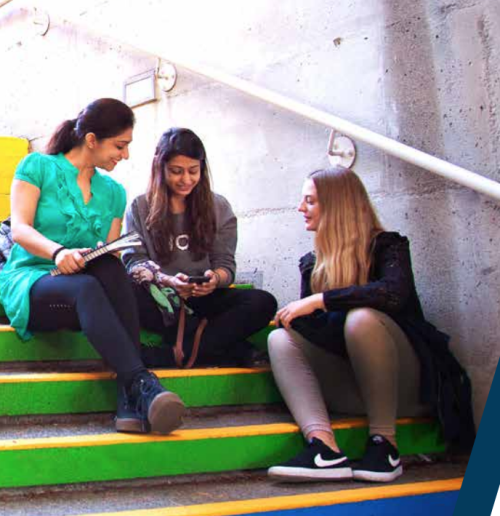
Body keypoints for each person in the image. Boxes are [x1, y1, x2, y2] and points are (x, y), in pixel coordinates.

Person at [267, 166, 474, 483]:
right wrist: (298, 318)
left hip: (407, 388)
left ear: (336, 205)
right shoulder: (312, 263)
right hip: (351, 388)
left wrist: (321, 300)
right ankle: (324, 448)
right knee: (282, 338)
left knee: (362, 319)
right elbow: (323, 337)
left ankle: (384, 445)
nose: (300, 208)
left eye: (309, 201)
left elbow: (392, 295)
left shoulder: (387, 247)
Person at [0, 98, 185, 435]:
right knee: (87, 287)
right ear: (91, 140)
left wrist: (95, 254)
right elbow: (21, 230)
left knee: (111, 271)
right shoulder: (37, 167)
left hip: (85, 291)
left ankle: (131, 395)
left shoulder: (113, 191)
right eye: (120, 145)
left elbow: (109, 256)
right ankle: (139, 386)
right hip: (32, 280)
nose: (124, 155)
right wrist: (58, 253)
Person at [123, 128, 277, 368]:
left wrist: (214, 280)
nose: (186, 179)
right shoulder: (139, 206)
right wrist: (169, 281)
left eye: (193, 171)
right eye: (176, 171)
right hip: (160, 298)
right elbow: (134, 263)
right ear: (160, 168)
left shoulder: (218, 206)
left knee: (263, 302)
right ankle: (235, 350)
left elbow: (225, 266)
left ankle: (172, 355)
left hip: (204, 297)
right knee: (125, 292)